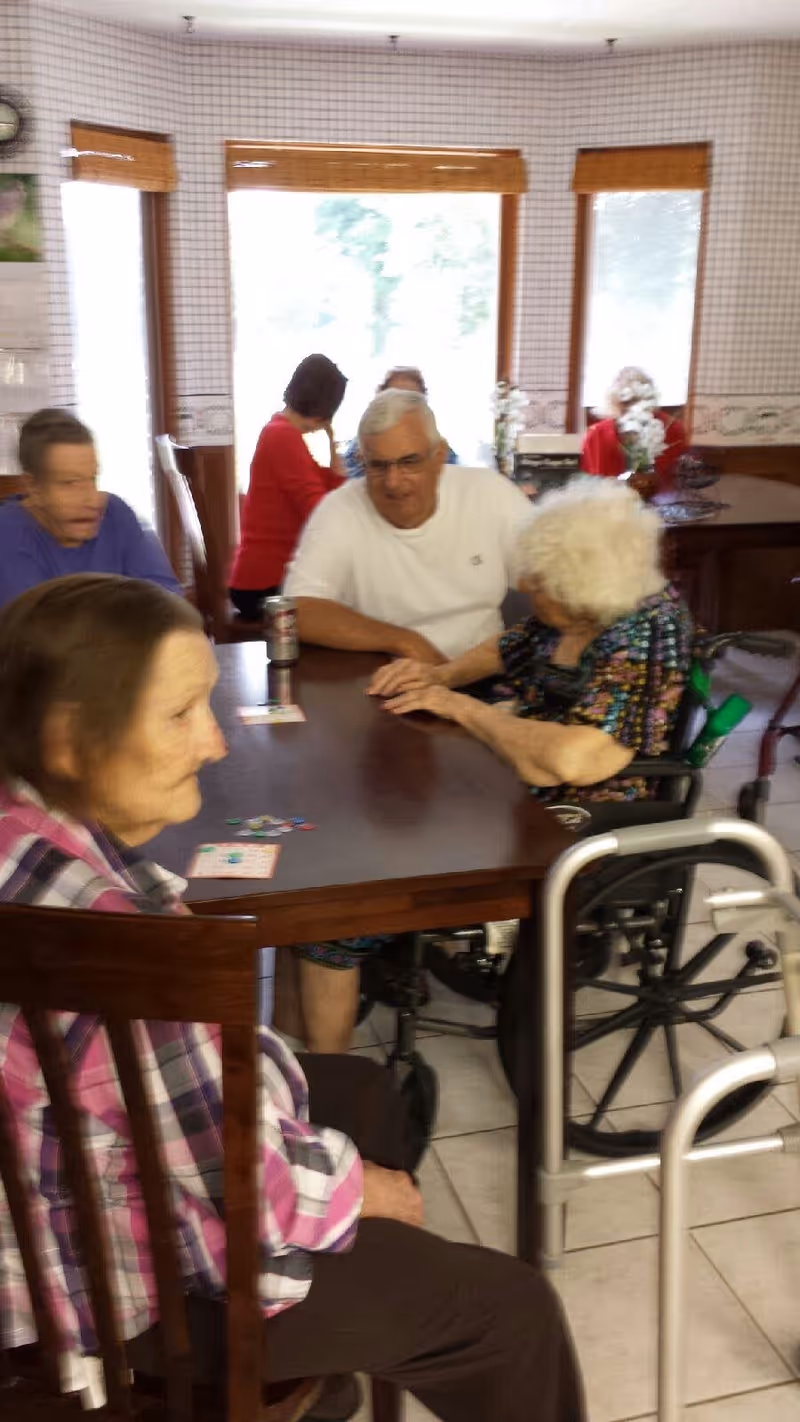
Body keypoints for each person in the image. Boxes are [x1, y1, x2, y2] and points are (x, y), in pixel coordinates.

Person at [0, 574, 584, 1422]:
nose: (214, 743)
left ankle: (320, 1379)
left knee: (365, 1090)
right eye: (180, 714)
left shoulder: (25, 834)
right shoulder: (125, 944)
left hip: (40, 1203)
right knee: (508, 1312)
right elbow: (252, 1188)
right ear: (65, 737)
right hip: (111, 1287)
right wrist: (362, 1189)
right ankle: (252, 1372)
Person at [369, 479, 693, 804]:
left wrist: (463, 708)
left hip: (580, 805)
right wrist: (441, 676)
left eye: (537, 581)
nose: (522, 585)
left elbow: (570, 760)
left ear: (579, 589)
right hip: (519, 767)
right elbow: (509, 646)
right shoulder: (574, 612)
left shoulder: (650, 627)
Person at [284, 389, 532, 664]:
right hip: (387, 680)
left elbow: (553, 578)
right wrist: (404, 641)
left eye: (409, 462)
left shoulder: (488, 492)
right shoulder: (340, 509)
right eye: (378, 466)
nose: (393, 481)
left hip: (483, 674)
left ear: (439, 457)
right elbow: (298, 611)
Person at [0, 409, 180, 609]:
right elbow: (41, 634)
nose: (92, 500)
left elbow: (168, 604)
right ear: (33, 487)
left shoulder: (114, 513)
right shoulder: (7, 534)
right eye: (71, 483)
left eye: (92, 478)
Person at [229, 354, 347, 621]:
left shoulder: (281, 432)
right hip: (264, 585)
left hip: (265, 580)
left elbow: (332, 490)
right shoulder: (281, 437)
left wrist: (331, 443)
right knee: (357, 598)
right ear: (325, 409)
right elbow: (321, 513)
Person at [580, 366, 687, 486]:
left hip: (660, 500)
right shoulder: (597, 434)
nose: (634, 409)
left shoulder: (672, 428)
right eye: (627, 402)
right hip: (610, 500)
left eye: (637, 401)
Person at [344, 366, 458, 477]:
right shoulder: (360, 448)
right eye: (392, 398)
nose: (401, 407)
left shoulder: (442, 453)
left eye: (411, 400)